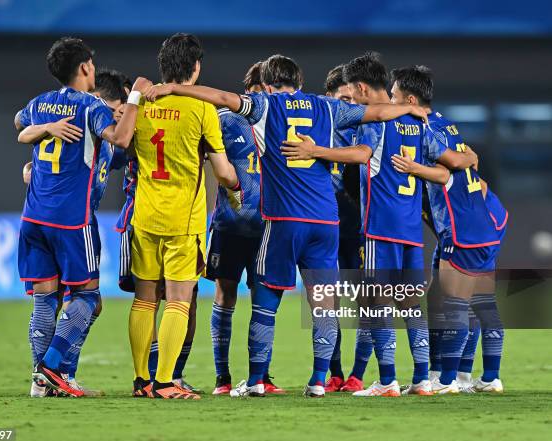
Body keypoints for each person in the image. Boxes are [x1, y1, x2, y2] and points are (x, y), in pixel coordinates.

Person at [141, 53, 430, 398]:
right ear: (300, 81)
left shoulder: (263, 106)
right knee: (322, 301)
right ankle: (319, 381)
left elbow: (220, 97)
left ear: (266, 84)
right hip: (326, 220)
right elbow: (379, 112)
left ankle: (258, 380)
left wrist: (172, 87)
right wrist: (411, 110)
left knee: (265, 298)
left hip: (284, 220)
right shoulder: (326, 106)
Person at [280, 53, 476, 396]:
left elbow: (361, 155)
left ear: (359, 88)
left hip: (380, 229)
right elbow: (448, 169)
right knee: (409, 304)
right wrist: (471, 157)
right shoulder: (419, 122)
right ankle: (420, 380)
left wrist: (316, 151)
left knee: (374, 302)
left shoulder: (374, 121)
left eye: (353, 97)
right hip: (411, 233)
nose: (353, 103)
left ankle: (386, 381)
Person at [118, 33, 242, 400]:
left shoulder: (139, 106)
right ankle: (167, 381)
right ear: (196, 67)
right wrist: (236, 183)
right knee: (177, 300)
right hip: (182, 221)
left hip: (144, 215)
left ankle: (143, 380)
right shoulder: (201, 109)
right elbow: (222, 172)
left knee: (143, 301)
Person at [15, 37, 141, 397]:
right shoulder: (91, 107)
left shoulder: (39, 103)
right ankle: (52, 369)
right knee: (87, 298)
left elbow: (18, 122)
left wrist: (41, 131)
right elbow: (119, 136)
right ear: (86, 67)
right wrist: (134, 101)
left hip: (34, 217)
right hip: (73, 221)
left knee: (45, 298)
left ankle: (45, 383)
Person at [389, 65, 506, 393]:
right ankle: (479, 376)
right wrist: (468, 158)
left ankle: (448, 379)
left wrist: (414, 168)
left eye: (393, 96)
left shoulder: (425, 129)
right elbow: (471, 166)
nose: (389, 101)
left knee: (452, 304)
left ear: (410, 100)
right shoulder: (445, 123)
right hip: (483, 220)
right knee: (479, 302)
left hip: (463, 226)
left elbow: (450, 169)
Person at [208, 61, 284, 395]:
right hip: (230, 224)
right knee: (225, 294)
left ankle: (261, 377)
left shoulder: (281, 121)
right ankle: (222, 379)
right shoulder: (225, 119)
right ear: (261, 87)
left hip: (269, 226)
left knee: (263, 300)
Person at [321, 64, 368, 394]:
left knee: (366, 300)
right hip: (324, 223)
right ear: (329, 99)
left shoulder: (367, 130)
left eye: (353, 100)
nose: (349, 106)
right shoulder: (316, 127)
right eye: (343, 99)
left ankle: (358, 374)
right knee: (327, 301)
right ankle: (335, 372)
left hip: (359, 225)